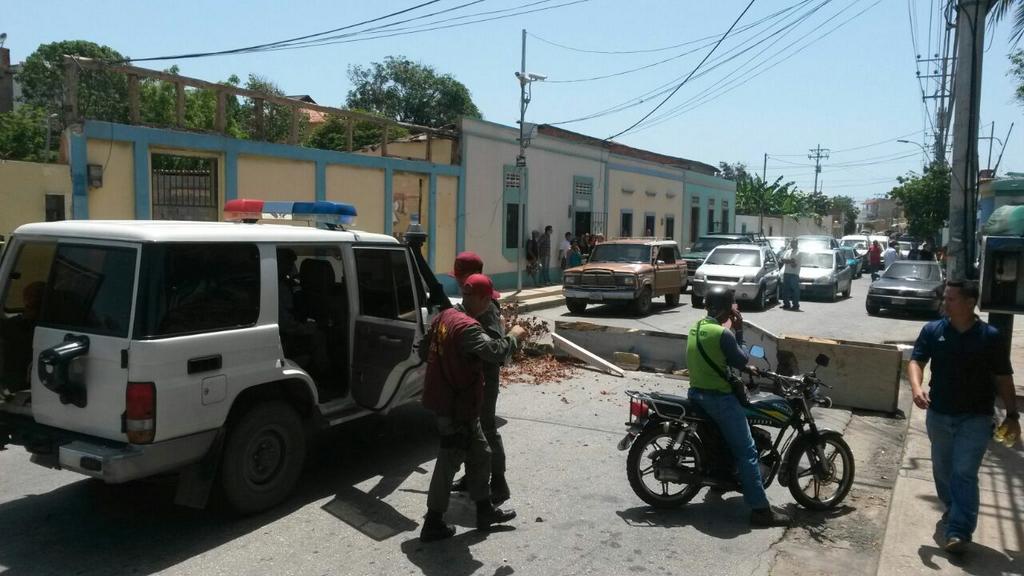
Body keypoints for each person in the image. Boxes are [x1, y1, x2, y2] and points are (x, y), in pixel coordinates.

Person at [907, 280, 1020, 554]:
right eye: (945, 298)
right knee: (943, 470)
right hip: (939, 415)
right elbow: (916, 361)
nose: (945, 303)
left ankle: (959, 531)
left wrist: (1012, 414)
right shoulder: (933, 330)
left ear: (970, 303)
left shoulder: (990, 336)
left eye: (951, 299)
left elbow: (1003, 377)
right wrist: (916, 387)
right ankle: (952, 509)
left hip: (976, 418)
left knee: (964, 473)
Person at [419, 274, 527, 542]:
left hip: (454, 401)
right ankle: (433, 522)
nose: (491, 306)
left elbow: (423, 351)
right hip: (455, 406)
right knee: (449, 461)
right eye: (489, 301)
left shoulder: (444, 317)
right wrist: (513, 337)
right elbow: (495, 352)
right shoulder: (468, 328)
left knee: (481, 454)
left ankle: (484, 511)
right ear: (478, 298)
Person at [686, 287, 791, 527]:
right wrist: (739, 330)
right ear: (726, 308)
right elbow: (741, 358)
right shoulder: (724, 334)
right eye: (734, 305)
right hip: (718, 399)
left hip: (696, 393)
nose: (736, 309)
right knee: (747, 451)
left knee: (726, 440)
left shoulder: (697, 327)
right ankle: (761, 510)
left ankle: (720, 480)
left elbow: (715, 358)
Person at [447, 251, 514, 505]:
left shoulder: (486, 307)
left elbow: (496, 347)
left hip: (485, 377)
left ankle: (498, 481)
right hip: (470, 378)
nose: (457, 282)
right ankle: (472, 475)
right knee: (471, 428)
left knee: (486, 428)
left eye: (459, 277)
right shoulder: (470, 301)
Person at [779, 239, 802, 311]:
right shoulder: (788, 251)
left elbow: (794, 263)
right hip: (786, 272)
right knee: (785, 289)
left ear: (797, 243)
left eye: (793, 243)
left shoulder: (799, 252)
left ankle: (795, 305)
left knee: (795, 290)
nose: (792, 244)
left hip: (794, 273)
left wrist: (787, 261)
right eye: (791, 243)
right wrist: (788, 261)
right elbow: (782, 259)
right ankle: (786, 304)